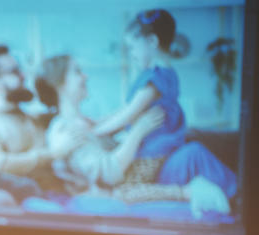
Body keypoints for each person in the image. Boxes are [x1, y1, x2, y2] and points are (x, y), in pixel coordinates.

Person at [34, 54, 228, 214]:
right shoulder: (66, 130)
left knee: (193, 149)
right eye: (77, 72)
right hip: (124, 189)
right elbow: (110, 174)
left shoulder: (84, 121)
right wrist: (139, 130)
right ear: (58, 83)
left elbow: (119, 116)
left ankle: (239, 201)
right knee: (194, 154)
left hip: (136, 177)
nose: (85, 76)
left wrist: (135, 117)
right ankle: (238, 204)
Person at [91, 9, 237, 214]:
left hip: (153, 153)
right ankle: (224, 192)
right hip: (162, 150)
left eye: (133, 47)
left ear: (151, 41)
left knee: (125, 191)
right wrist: (96, 122)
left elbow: (129, 113)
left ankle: (214, 193)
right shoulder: (164, 74)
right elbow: (124, 109)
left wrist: (95, 132)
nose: (130, 54)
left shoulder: (156, 79)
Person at [0, 44, 86, 194]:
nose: (23, 76)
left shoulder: (37, 119)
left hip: (64, 197)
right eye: (14, 71)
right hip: (31, 205)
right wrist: (54, 153)